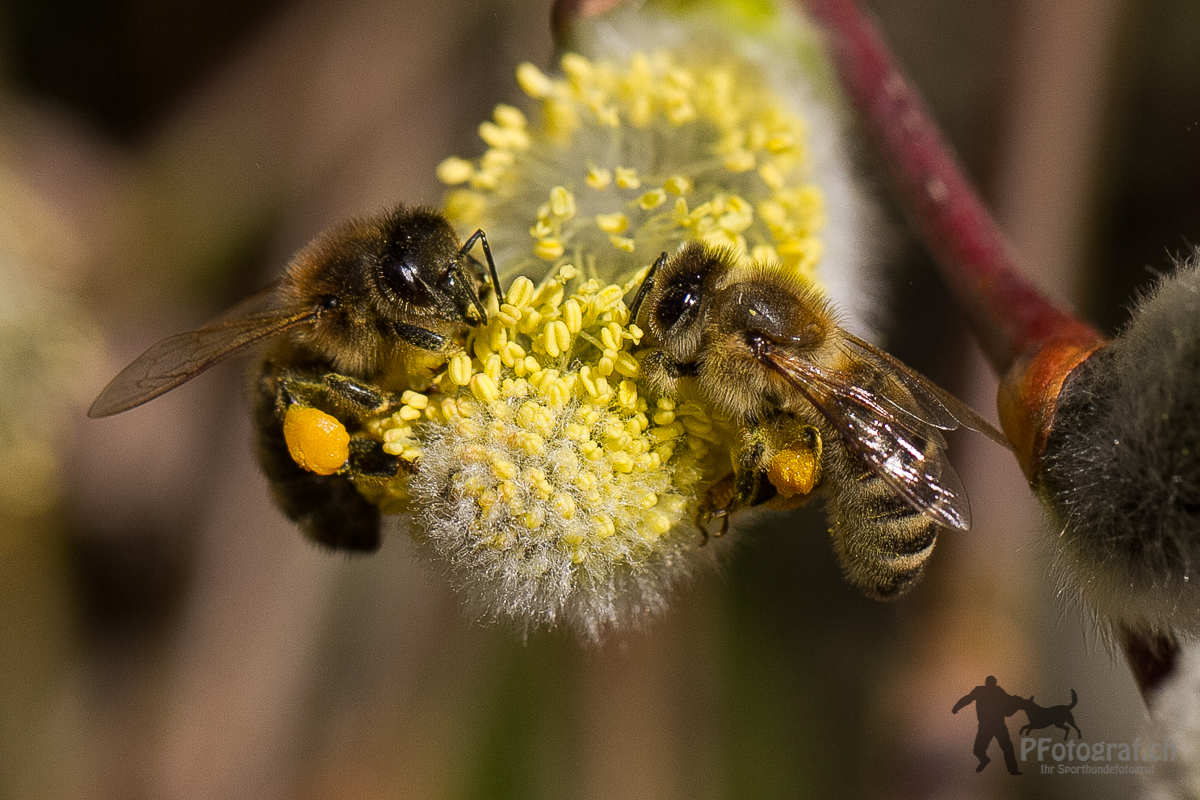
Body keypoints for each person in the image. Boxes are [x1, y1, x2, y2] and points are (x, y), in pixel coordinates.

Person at [952, 676, 1024, 775]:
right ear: (987, 683)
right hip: (986, 725)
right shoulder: (980, 690)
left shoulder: (997, 690)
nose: (991, 685)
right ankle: (985, 760)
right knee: (977, 750)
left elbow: (1009, 699)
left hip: (998, 724)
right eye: (990, 683)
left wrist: (1021, 701)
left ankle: (1013, 770)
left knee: (1007, 748)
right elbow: (968, 698)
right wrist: (956, 707)